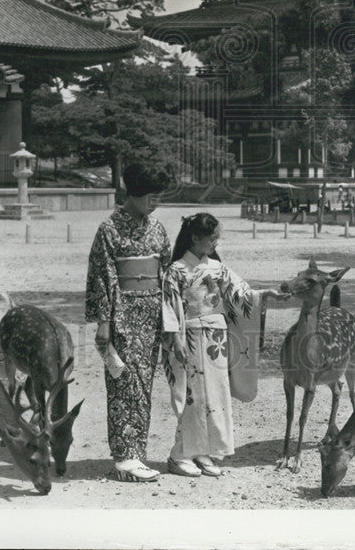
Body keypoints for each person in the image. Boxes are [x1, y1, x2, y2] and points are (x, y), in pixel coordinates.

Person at [160, 213, 288, 477]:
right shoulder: (177, 270)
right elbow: (170, 307)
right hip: (192, 335)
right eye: (212, 238)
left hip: (217, 336)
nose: (216, 243)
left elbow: (241, 293)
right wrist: (176, 338)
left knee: (216, 396)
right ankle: (179, 454)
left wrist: (265, 294)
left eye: (217, 238)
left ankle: (203, 451)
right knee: (193, 396)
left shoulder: (218, 268)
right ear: (195, 238)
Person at [85, 163, 181, 482]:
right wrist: (103, 322)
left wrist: (170, 317)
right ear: (134, 193)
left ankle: (137, 453)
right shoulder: (109, 229)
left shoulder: (157, 229)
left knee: (144, 385)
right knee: (123, 381)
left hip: (152, 313)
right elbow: (102, 276)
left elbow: (166, 271)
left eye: (158, 197)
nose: (155, 203)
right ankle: (124, 457)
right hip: (122, 313)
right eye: (150, 196)